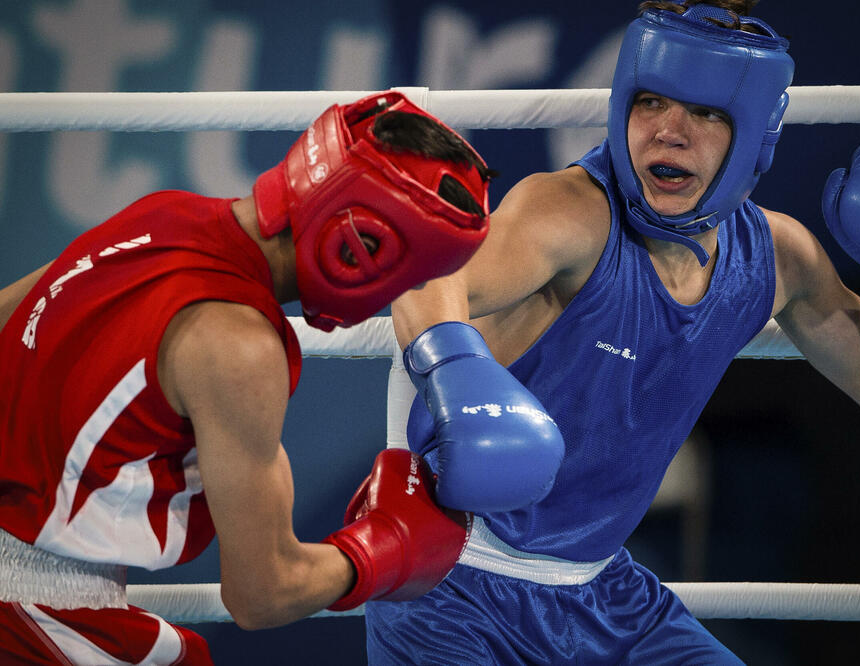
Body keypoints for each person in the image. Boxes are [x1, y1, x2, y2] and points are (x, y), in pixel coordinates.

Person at [372, 1, 860, 663]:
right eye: (651, 102)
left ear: (756, 133)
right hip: (453, 584)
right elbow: (426, 280)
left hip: (603, 593)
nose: (669, 132)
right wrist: (463, 381)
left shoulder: (776, 258)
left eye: (707, 113)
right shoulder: (570, 214)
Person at [0, 90, 494, 665]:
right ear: (357, 248)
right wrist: (387, 547)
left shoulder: (163, 213)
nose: (397, 299)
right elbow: (263, 593)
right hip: (36, 614)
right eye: (407, 279)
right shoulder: (238, 345)